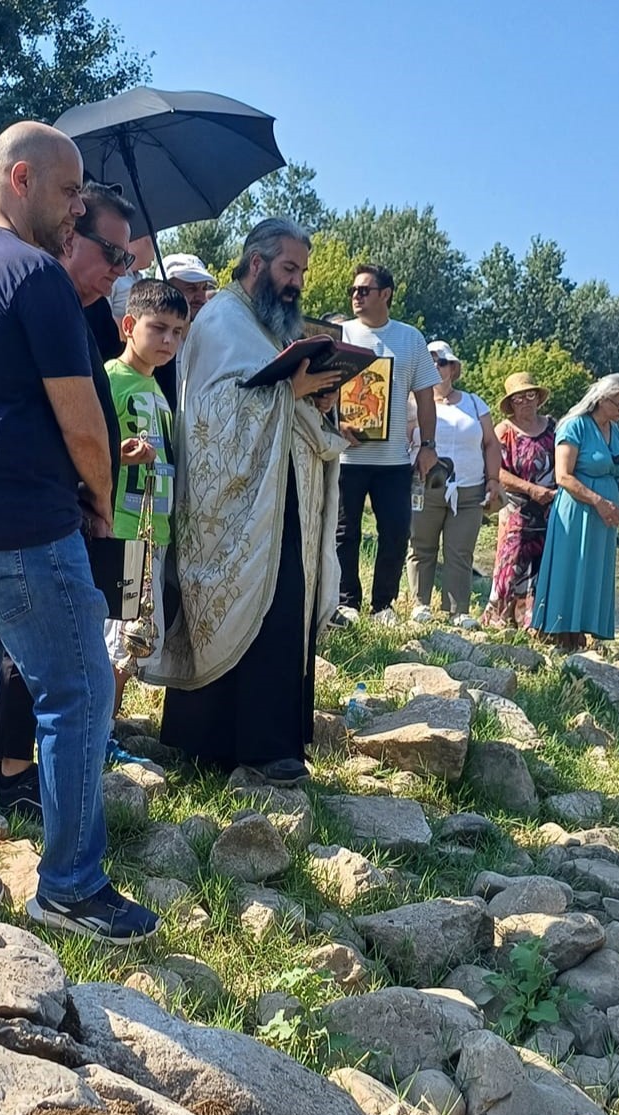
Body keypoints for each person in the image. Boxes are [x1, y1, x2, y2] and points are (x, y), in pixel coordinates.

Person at [0, 121, 157, 943]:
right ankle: (71, 885)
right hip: (18, 521)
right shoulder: (33, 274)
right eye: (66, 191)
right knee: (81, 687)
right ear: (20, 178)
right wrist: (98, 492)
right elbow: (83, 420)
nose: (76, 207)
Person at [149, 219, 349, 785]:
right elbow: (210, 414)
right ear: (256, 264)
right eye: (289, 269)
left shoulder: (261, 324)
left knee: (285, 607)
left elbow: (266, 394)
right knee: (267, 603)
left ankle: (268, 739)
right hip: (237, 506)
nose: (297, 283)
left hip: (279, 493)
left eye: (302, 273)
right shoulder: (221, 318)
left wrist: (313, 394)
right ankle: (246, 745)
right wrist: (291, 391)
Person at [336, 263, 439, 622]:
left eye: (364, 290)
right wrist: (334, 422)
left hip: (394, 458)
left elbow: (426, 397)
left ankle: (384, 604)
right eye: (353, 290)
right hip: (344, 456)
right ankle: (346, 601)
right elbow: (317, 388)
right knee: (344, 532)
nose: (356, 296)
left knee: (395, 531)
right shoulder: (338, 334)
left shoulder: (410, 338)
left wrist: (428, 445)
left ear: (386, 294)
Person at [104, 279, 187, 714]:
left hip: (153, 531)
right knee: (120, 635)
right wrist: (120, 455)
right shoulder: (110, 380)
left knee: (135, 635)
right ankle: (102, 731)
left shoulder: (159, 391)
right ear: (129, 325)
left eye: (177, 332)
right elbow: (88, 448)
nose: (169, 340)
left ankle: (107, 722)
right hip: (122, 528)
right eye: (159, 328)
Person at [530, 374, 619, 651]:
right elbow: (563, 476)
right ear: (602, 399)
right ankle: (561, 630)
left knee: (594, 569)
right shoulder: (574, 426)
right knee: (571, 565)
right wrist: (598, 501)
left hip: (604, 517)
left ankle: (584, 630)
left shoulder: (615, 431)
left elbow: (613, 469)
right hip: (578, 511)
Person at [406, 340, 501, 626]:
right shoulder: (412, 403)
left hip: (469, 489)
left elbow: (491, 443)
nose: (437, 366)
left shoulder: (475, 402)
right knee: (421, 546)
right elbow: (401, 440)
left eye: (443, 362)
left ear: (453, 368)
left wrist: (494, 479)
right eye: (431, 361)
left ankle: (458, 611)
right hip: (423, 485)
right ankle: (419, 604)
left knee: (460, 551)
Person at [483, 373, 557, 630]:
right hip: (516, 508)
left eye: (530, 395)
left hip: (549, 508)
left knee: (543, 565)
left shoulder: (553, 428)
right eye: (518, 398)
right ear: (511, 403)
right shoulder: (504, 431)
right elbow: (496, 470)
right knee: (511, 562)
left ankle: (534, 623)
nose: (525, 402)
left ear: (538, 397)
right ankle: (500, 621)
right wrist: (531, 489)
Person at [153, 252, 217, 411]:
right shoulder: (149, 346)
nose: (202, 297)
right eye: (192, 288)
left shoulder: (210, 341)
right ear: (165, 289)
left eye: (204, 288)